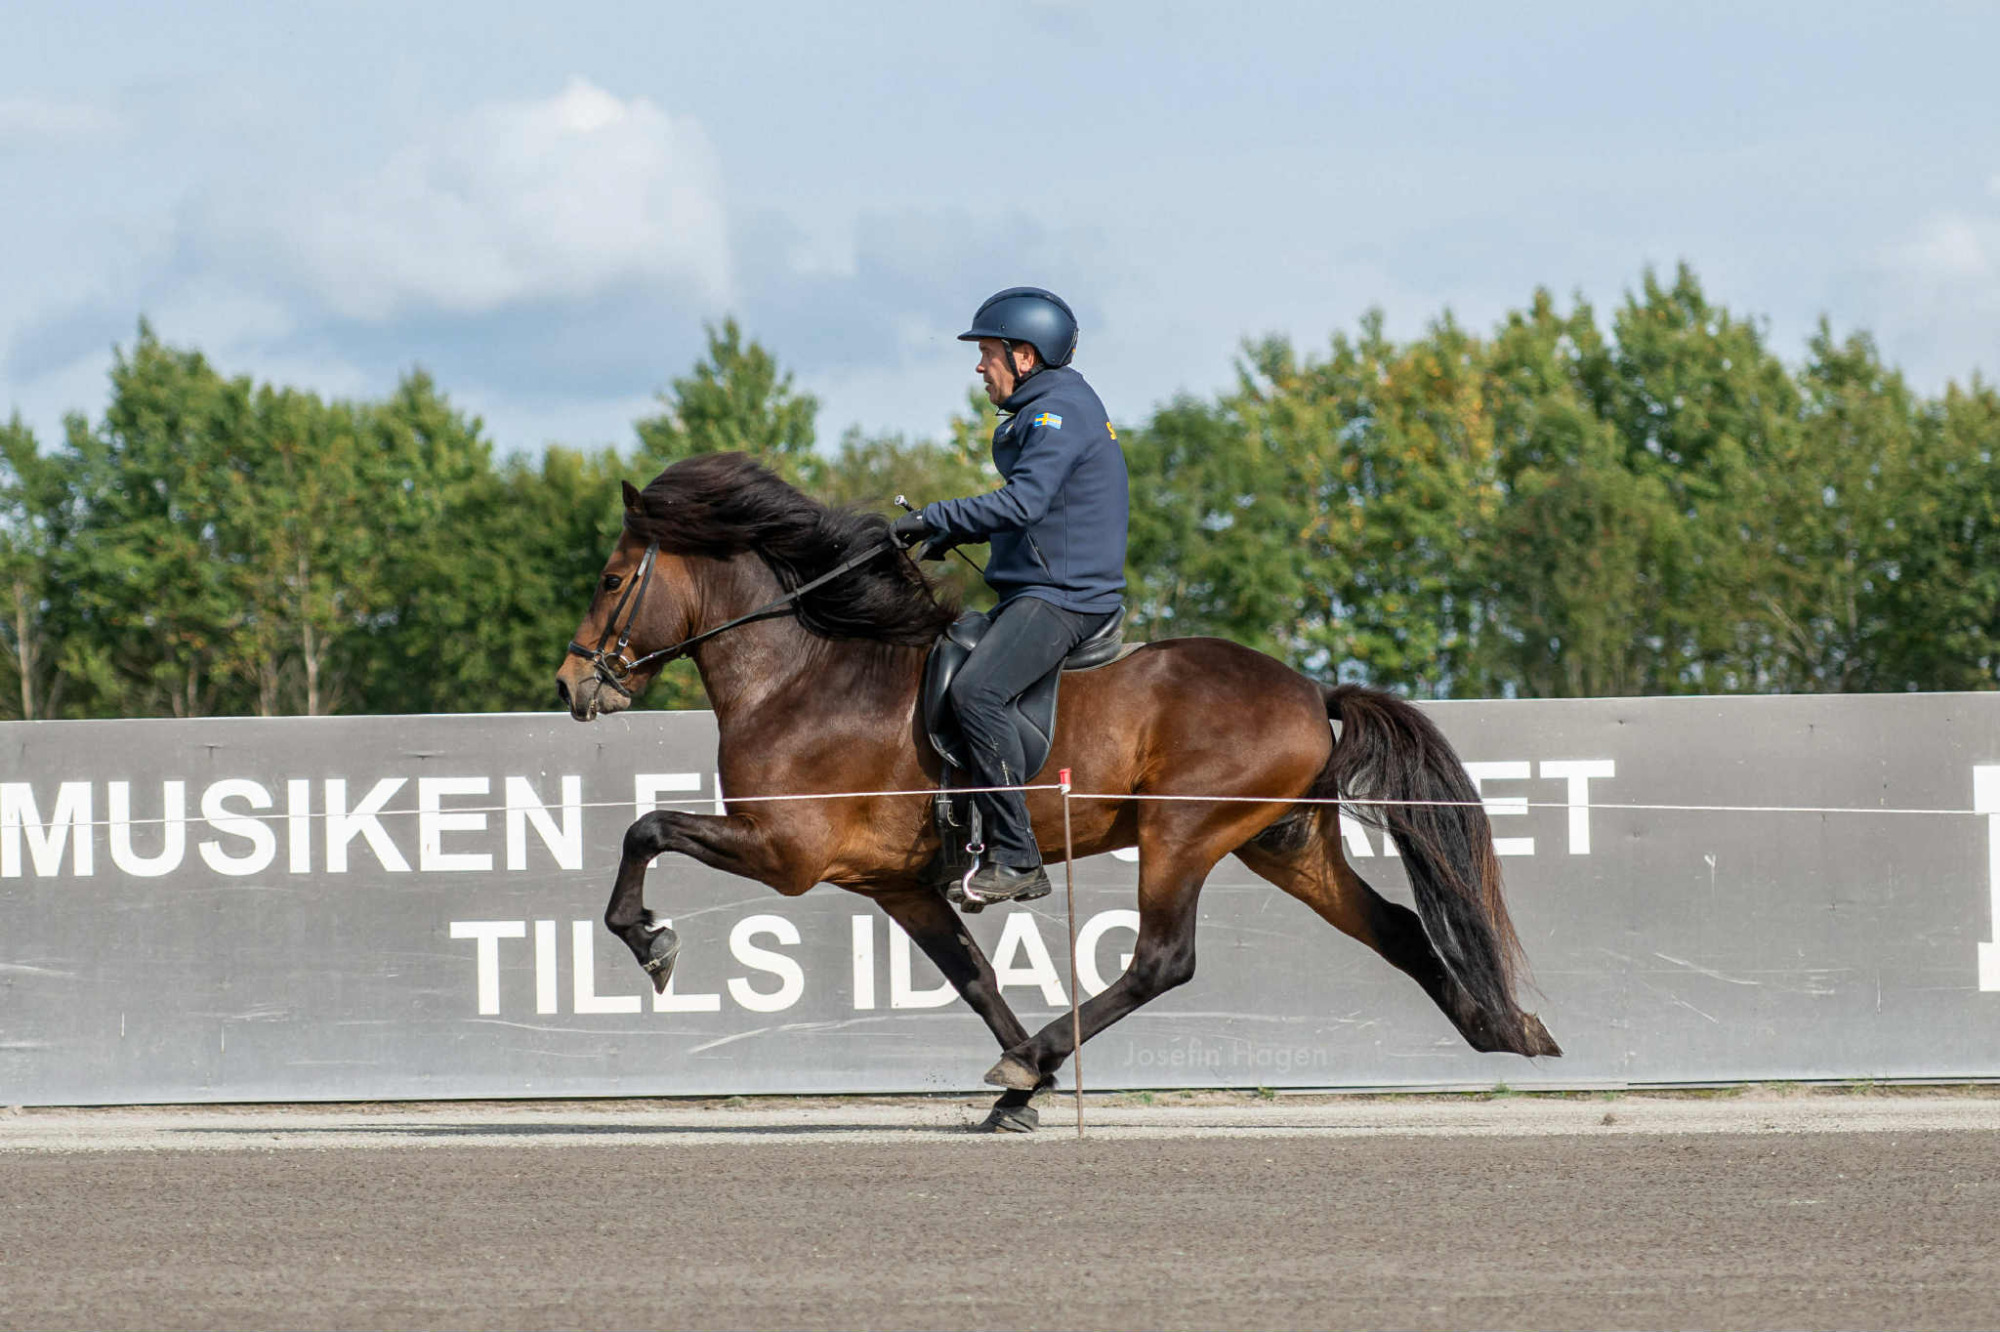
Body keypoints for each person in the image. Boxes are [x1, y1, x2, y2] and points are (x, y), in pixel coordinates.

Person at [890, 287, 1128, 907]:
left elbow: (1024, 502)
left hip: (1065, 598)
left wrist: (936, 515)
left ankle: (1019, 858)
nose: (979, 365)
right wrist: (947, 530)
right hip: (1041, 588)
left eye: (988, 352)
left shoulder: (1057, 413)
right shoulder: (1050, 405)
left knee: (978, 690)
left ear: (1025, 356)